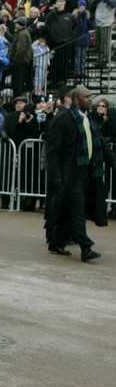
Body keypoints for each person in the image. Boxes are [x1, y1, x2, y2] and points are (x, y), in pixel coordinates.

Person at [44, 85, 115, 260]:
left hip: (87, 172)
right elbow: (52, 150)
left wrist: (113, 161)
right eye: (87, 97)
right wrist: (56, 175)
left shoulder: (89, 119)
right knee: (77, 208)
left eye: (91, 97)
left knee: (70, 209)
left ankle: (57, 242)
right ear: (77, 100)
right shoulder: (64, 119)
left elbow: (101, 144)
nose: (91, 100)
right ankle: (85, 247)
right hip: (69, 173)